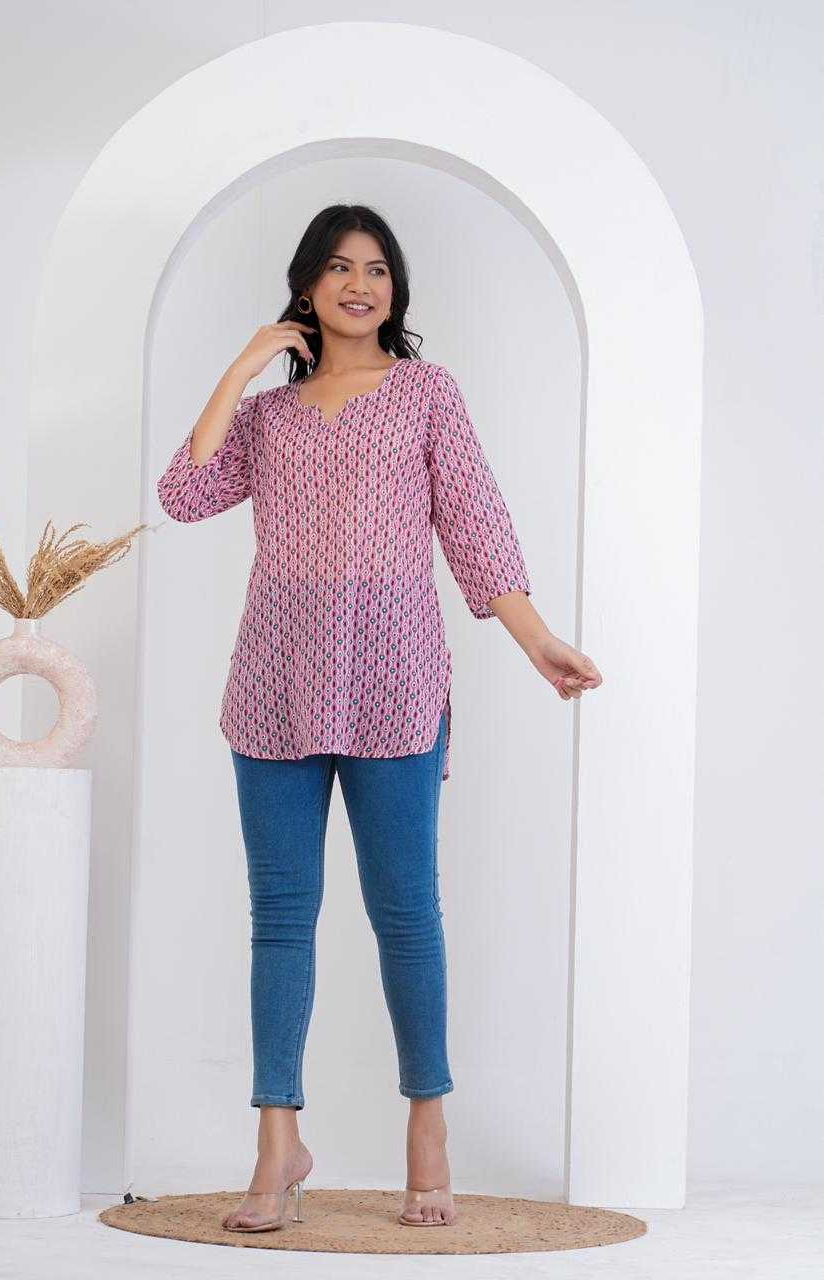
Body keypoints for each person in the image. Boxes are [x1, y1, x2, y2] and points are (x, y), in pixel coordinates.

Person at [157, 205, 602, 1232]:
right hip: (274, 682)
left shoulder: (425, 393)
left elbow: (475, 527)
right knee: (280, 917)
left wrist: (537, 641)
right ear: (305, 286)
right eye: (337, 267)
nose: (359, 284)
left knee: (406, 915)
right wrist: (242, 367)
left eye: (376, 269)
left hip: (396, 680)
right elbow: (182, 493)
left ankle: (427, 1126)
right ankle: (277, 1141)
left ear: (394, 289)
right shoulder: (267, 419)